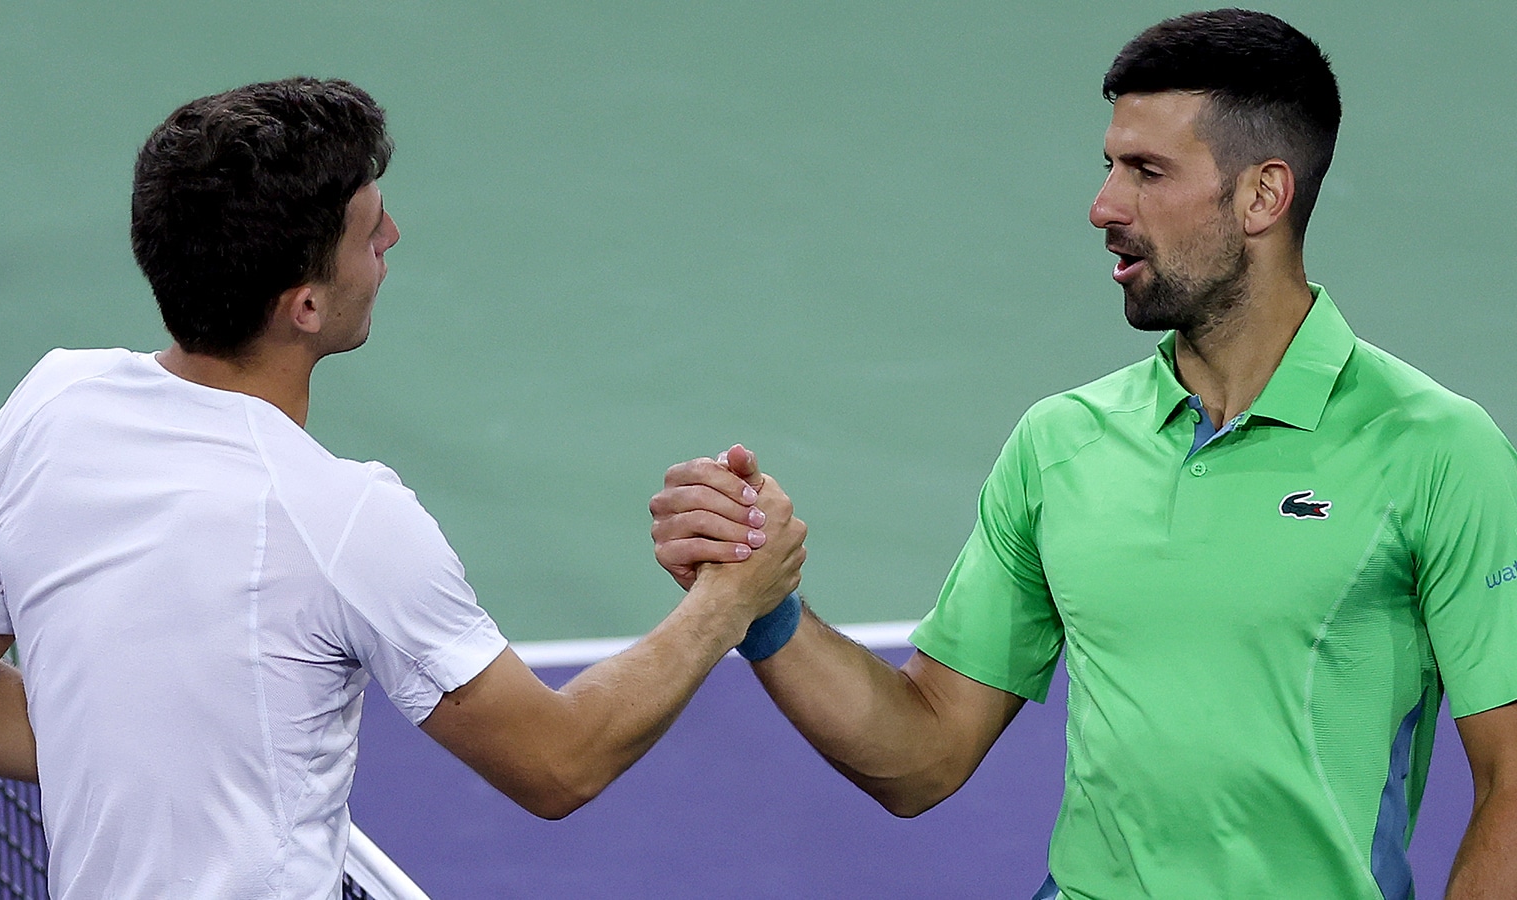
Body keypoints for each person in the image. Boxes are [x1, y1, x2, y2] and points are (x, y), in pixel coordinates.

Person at [650, 10, 1517, 899]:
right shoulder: (1059, 444)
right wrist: (764, 607)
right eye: (1110, 166)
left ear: (1263, 195)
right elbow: (924, 755)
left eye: (1147, 171)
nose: (1104, 206)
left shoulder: (1438, 452)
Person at [0, 77, 806, 899]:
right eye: (367, 230)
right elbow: (556, 763)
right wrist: (731, 600)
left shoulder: (52, 404)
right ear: (304, 305)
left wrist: (143, 751)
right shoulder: (346, 520)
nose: (391, 238)